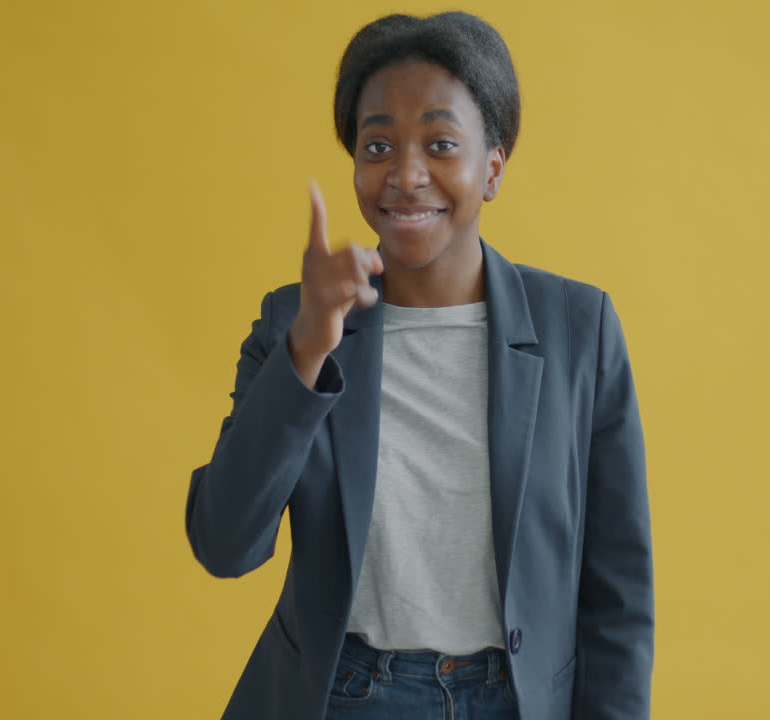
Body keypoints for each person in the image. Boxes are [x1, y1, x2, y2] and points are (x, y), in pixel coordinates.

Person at [185, 11, 653, 720]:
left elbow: (617, 592)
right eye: (378, 145)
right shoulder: (298, 324)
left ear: (491, 168)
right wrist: (308, 351)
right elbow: (224, 543)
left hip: (519, 702)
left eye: (440, 143)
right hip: (342, 697)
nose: (406, 175)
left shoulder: (578, 330)